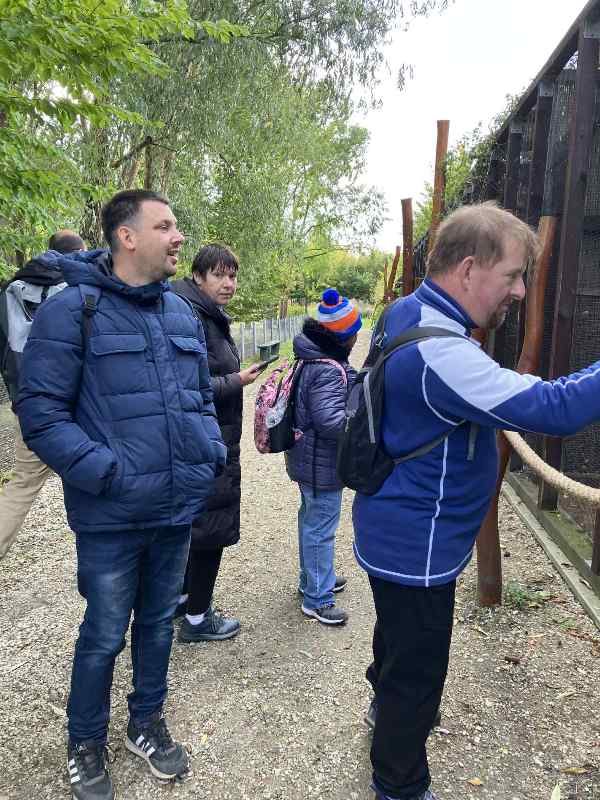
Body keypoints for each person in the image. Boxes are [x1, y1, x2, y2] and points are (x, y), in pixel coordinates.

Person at [353, 201, 600, 800]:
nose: (520, 292)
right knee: (418, 673)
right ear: (468, 269)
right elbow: (555, 408)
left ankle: (384, 705)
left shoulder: (408, 309)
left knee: (397, 639)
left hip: (393, 526)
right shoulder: (444, 354)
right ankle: (399, 782)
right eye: (512, 275)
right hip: (418, 546)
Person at [17, 190, 226, 800]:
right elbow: (40, 413)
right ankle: (85, 742)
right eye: (166, 226)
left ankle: (145, 723)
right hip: (110, 515)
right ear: (127, 237)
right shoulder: (71, 310)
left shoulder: (179, 312)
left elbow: (200, 397)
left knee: (158, 624)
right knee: (105, 632)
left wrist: (208, 450)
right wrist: (105, 472)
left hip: (174, 509)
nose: (178, 237)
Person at [171, 244, 262, 642]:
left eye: (233, 276)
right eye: (220, 275)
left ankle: (184, 599)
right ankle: (197, 619)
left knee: (199, 524)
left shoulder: (205, 313)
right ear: (198, 276)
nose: (229, 284)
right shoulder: (189, 316)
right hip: (204, 441)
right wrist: (236, 381)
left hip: (211, 436)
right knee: (210, 528)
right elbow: (186, 387)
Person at [0, 230, 85, 560]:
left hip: (28, 402)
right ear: (79, 252)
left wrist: (17, 394)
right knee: (86, 475)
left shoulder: (11, 289)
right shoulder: (78, 286)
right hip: (76, 404)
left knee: (22, 483)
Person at [285, 288, 360, 625]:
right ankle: (318, 598)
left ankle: (313, 579)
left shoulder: (314, 359)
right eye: (354, 333)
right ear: (343, 337)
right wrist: (359, 426)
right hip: (321, 465)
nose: (357, 339)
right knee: (320, 528)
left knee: (311, 522)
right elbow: (330, 421)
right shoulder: (328, 368)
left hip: (309, 461)